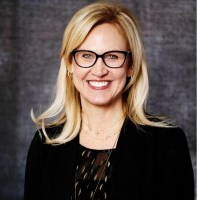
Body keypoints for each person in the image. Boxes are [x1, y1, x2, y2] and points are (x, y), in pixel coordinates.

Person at [23, 1, 195, 200]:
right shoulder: (45, 143)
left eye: (112, 56)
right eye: (86, 55)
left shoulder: (167, 143)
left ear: (131, 66)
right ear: (70, 64)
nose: (99, 70)